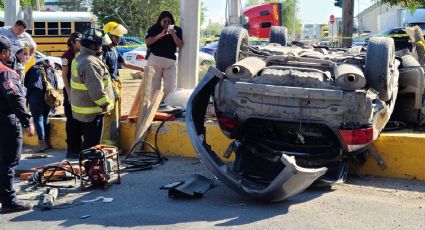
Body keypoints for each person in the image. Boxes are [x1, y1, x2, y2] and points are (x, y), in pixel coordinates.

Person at [0, 35, 35, 214]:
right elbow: (14, 96)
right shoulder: (5, 72)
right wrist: (27, 121)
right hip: (6, 122)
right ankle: (9, 201)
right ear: (4, 53)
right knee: (8, 162)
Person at [70, 29, 115, 149]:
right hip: (92, 111)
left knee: (89, 142)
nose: (101, 48)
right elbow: (95, 89)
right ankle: (90, 165)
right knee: (92, 145)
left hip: (84, 109)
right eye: (100, 45)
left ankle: (88, 164)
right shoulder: (90, 63)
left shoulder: (80, 57)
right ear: (93, 45)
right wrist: (105, 103)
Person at [101, 22, 144, 145]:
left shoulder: (114, 49)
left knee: (117, 114)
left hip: (115, 83)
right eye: (116, 37)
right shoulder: (103, 50)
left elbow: (124, 63)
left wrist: (141, 69)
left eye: (119, 37)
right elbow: (102, 71)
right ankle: (108, 145)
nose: (119, 39)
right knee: (110, 116)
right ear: (109, 35)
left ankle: (114, 142)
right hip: (109, 85)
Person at [145, 11, 183, 100]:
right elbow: (147, 41)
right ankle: (155, 106)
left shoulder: (177, 30)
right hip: (155, 61)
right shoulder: (154, 28)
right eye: (165, 21)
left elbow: (180, 44)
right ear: (160, 21)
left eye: (169, 21)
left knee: (170, 85)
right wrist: (160, 35)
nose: (167, 23)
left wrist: (173, 34)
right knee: (154, 86)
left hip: (170, 63)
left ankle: (166, 104)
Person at [24, 59, 58, 152]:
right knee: (45, 117)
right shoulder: (51, 70)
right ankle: (46, 142)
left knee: (38, 117)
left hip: (35, 95)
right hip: (49, 97)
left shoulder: (33, 68)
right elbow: (55, 85)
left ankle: (42, 143)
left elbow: (26, 83)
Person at [61, 32, 83, 158]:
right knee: (72, 122)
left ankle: (80, 148)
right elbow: (64, 75)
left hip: (81, 92)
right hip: (71, 91)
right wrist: (69, 93)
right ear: (73, 42)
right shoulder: (67, 55)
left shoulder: (83, 54)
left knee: (81, 121)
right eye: (79, 41)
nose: (81, 43)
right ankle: (72, 149)